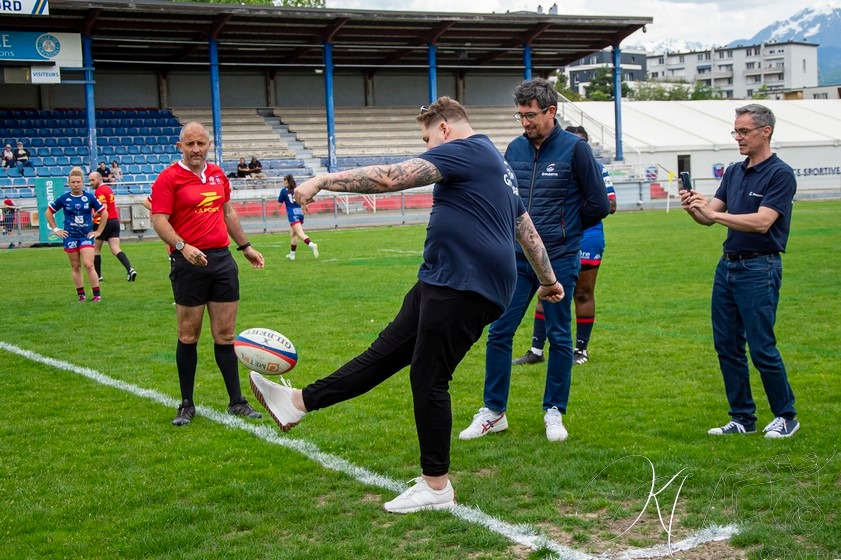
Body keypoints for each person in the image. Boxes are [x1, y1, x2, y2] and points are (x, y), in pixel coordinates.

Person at [248, 97, 563, 513]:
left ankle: (436, 487)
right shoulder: (497, 164)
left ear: (446, 130)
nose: (428, 148)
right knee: (383, 355)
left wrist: (322, 180)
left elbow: (392, 177)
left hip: (462, 282)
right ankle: (297, 403)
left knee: (429, 378)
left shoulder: (464, 150)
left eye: (427, 138)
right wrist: (549, 280)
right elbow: (524, 228)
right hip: (446, 278)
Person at [460, 78, 609, 443]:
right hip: (515, 259)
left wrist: (565, 231)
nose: (524, 122)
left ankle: (554, 411)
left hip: (558, 259)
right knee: (499, 332)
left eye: (530, 115)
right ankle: (494, 411)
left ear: (551, 111)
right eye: (520, 115)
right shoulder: (514, 148)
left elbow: (599, 204)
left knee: (559, 337)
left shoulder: (576, 150)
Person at [681, 104, 800, 439]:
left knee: (762, 346)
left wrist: (715, 215)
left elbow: (763, 222)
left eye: (744, 131)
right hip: (729, 267)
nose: (738, 137)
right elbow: (709, 217)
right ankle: (742, 418)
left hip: (760, 268)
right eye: (735, 131)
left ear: (766, 131)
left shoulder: (780, 174)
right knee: (728, 346)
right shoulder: (734, 171)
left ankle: (785, 415)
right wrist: (694, 207)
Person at [150, 121, 265, 426]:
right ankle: (186, 404)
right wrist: (182, 246)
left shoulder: (217, 175)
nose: (196, 149)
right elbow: (159, 220)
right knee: (189, 335)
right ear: (180, 147)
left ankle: (237, 402)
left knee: (226, 335)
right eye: (190, 144)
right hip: (189, 262)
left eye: (201, 143)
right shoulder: (168, 178)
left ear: (208, 145)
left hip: (222, 260)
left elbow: (227, 212)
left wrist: (246, 247)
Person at [513, 125, 617, 367]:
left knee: (582, 292)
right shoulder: (548, 165)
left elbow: (610, 205)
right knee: (546, 287)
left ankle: (580, 349)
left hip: (586, 236)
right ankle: (537, 349)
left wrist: (570, 216)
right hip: (552, 237)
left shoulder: (597, 169)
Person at [45, 167, 107, 302]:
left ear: (82, 183)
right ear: (69, 183)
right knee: (75, 266)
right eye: (73, 182)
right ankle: (81, 295)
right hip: (70, 236)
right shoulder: (64, 198)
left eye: (78, 182)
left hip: (85, 236)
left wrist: (99, 231)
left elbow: (104, 212)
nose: (76, 184)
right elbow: (49, 212)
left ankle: (97, 295)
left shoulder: (89, 197)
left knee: (89, 264)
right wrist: (56, 229)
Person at [89, 171, 137, 282]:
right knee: (115, 248)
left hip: (104, 221)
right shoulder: (108, 189)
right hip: (114, 221)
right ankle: (130, 269)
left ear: (99, 179)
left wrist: (94, 216)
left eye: (93, 180)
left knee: (96, 249)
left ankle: (98, 276)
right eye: (90, 180)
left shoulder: (99, 191)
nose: (91, 182)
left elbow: (103, 207)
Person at [277, 174, 318, 260]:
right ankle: (292, 255)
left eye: (283, 181)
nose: (283, 183)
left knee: (300, 233)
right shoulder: (297, 190)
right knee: (293, 234)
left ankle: (311, 245)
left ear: (286, 181)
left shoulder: (283, 191)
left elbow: (279, 204)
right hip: (300, 213)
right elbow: (304, 200)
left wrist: (281, 202)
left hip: (292, 214)